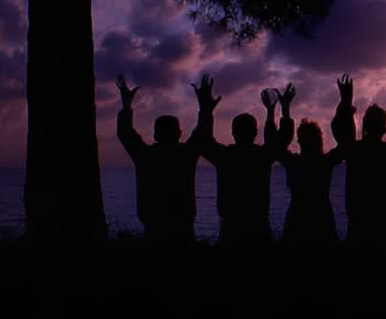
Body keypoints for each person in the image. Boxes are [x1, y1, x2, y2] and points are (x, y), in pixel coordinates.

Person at [115, 73, 216, 247]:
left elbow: (125, 134)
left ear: (155, 135)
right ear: (179, 134)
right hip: (183, 229)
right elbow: (202, 134)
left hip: (154, 229)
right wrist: (205, 109)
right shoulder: (186, 154)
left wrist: (126, 105)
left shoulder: (145, 156)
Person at [198, 80, 294, 249]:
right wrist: (279, 111)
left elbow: (204, 141)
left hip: (231, 229)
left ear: (233, 133)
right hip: (258, 228)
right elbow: (281, 141)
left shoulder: (225, 156)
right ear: (256, 132)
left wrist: (206, 110)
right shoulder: (261, 156)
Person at [277, 74, 354, 249]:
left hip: (296, 220)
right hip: (322, 220)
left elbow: (279, 148)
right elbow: (346, 143)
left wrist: (285, 110)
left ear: (299, 141)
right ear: (320, 140)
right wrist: (345, 103)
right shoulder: (325, 162)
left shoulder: (293, 162)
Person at [336, 79, 386, 247]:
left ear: (364, 125)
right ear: (385, 129)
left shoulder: (354, 151)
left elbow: (341, 131)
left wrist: (346, 103)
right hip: (385, 230)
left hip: (359, 229)